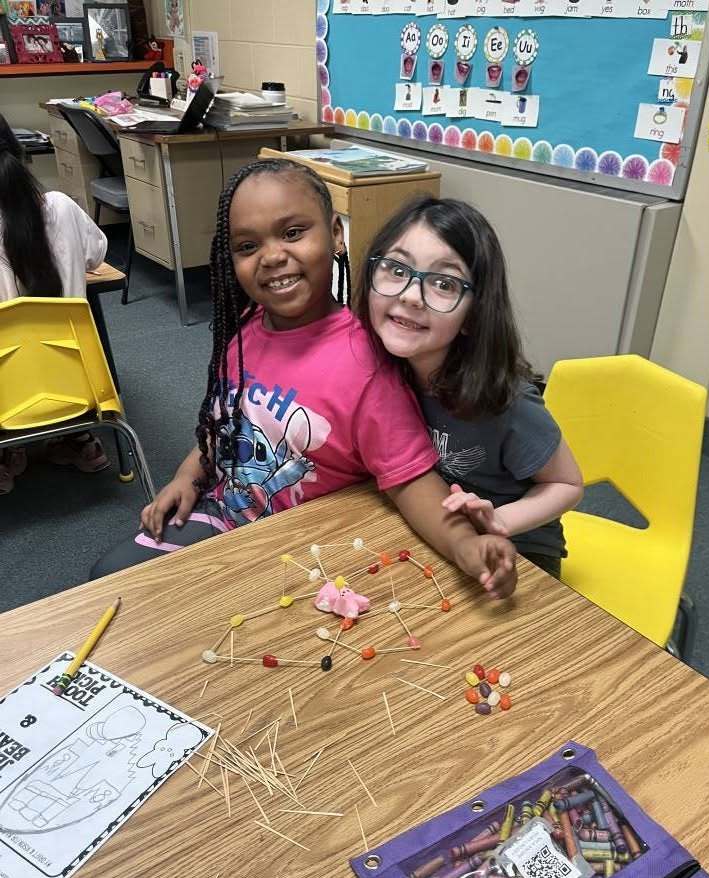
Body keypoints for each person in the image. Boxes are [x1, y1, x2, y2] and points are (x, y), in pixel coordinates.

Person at [91, 159, 517, 597]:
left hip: (300, 555)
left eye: (293, 233)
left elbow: (411, 482)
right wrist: (187, 476)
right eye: (247, 246)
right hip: (222, 515)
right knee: (109, 581)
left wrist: (465, 544)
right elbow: (222, 425)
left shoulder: (364, 365)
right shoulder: (243, 329)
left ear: (336, 234)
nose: (273, 256)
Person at [357, 196, 584, 579]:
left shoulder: (507, 401)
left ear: (473, 316)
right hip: (436, 528)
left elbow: (567, 483)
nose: (411, 295)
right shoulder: (379, 368)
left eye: (444, 283)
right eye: (397, 269)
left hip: (517, 548)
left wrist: (498, 521)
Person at [0, 114, 109, 492]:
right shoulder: (61, 206)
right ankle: (76, 438)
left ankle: (7, 453)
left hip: (6, 397)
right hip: (79, 385)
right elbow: (98, 256)